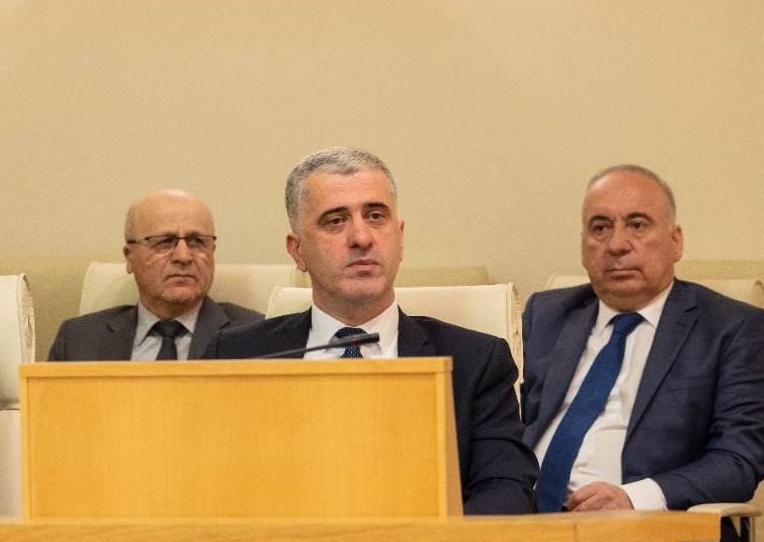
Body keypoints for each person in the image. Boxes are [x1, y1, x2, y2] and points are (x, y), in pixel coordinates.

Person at [203, 147, 537, 515]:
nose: (361, 237)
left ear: (400, 237)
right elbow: (204, 487)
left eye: (376, 216)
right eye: (335, 221)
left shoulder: (476, 362)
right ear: (297, 251)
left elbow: (507, 491)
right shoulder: (235, 357)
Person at [522, 165, 764, 542]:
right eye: (600, 228)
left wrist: (631, 499)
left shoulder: (730, 327)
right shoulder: (547, 315)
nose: (617, 244)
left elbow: (739, 460)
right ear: (583, 247)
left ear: (675, 241)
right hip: (526, 534)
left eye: (637, 225)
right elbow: (512, 431)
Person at [47, 189, 260, 361]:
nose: (183, 256)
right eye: (164, 242)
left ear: (212, 251)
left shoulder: (254, 335)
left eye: (197, 242)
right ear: (130, 257)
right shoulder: (79, 340)